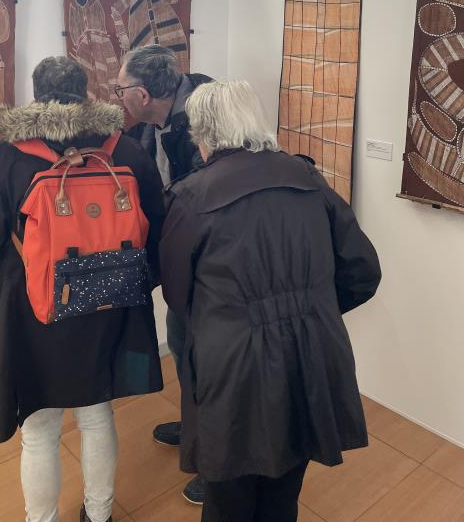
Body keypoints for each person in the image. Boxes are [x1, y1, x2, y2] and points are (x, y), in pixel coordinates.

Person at [0, 56, 165, 522]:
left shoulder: (8, 155)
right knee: (97, 416)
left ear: (37, 94)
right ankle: (99, 515)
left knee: (40, 429)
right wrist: (130, 279)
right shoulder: (122, 149)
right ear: (84, 93)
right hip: (109, 304)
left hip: (34, 311)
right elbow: (159, 228)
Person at [159, 80, 382, 522]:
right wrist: (311, 307)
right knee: (285, 490)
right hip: (312, 350)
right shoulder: (307, 177)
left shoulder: (191, 197)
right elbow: (362, 272)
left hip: (234, 363)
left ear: (203, 135)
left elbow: (177, 295)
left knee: (228, 497)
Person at [115, 44, 211, 505]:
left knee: (210, 363)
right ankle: (196, 428)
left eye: (120, 89)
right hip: (180, 263)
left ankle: (216, 462)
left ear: (142, 94)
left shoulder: (204, 119)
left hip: (211, 268)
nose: (116, 96)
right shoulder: (149, 128)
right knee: (183, 347)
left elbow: (206, 202)